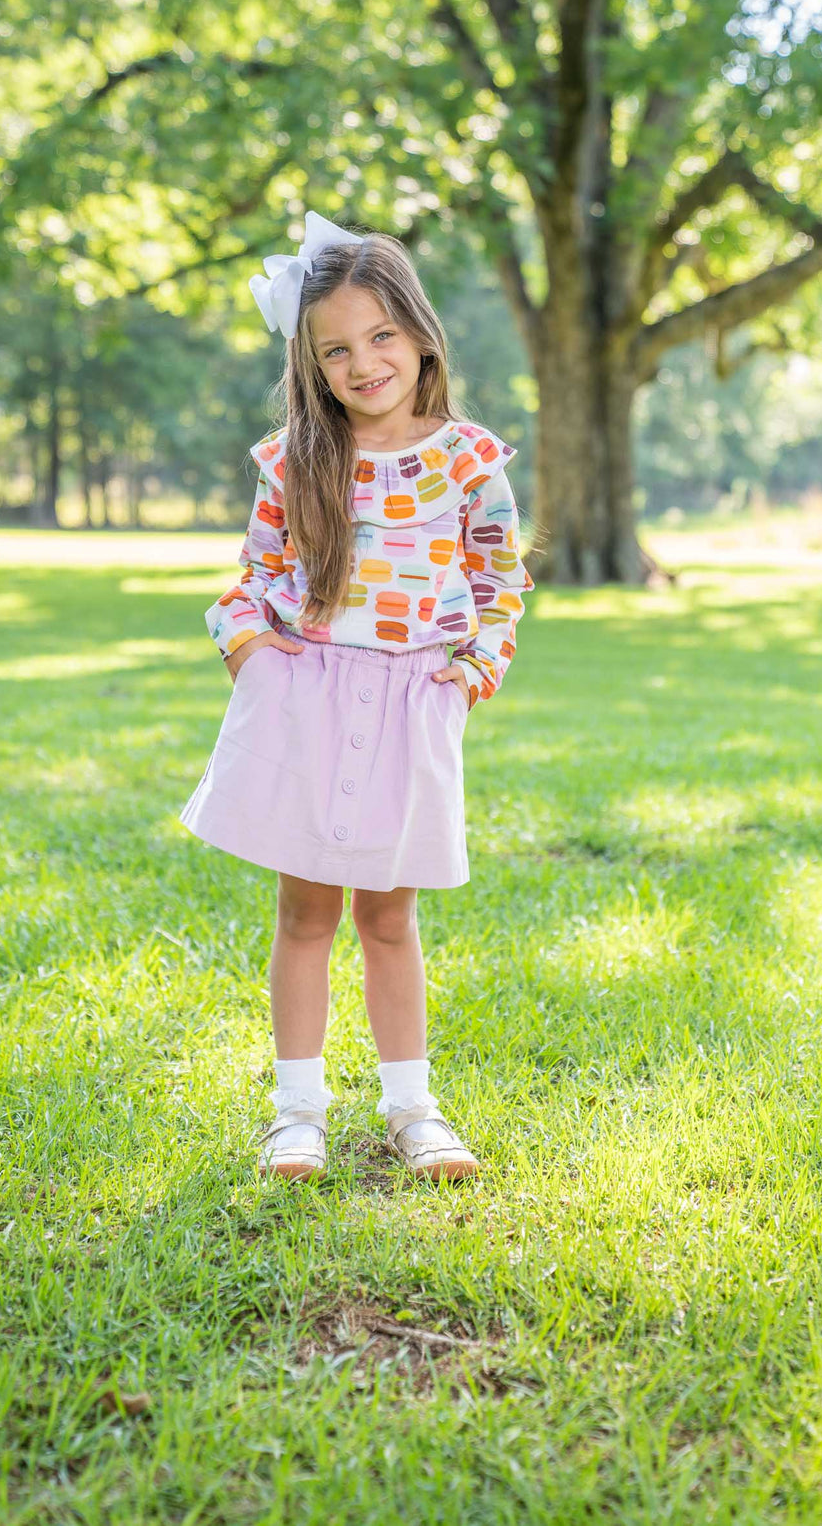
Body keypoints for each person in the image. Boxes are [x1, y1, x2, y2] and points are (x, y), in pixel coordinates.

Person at [179, 209, 535, 1184]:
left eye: (381, 336)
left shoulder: (469, 460)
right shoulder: (296, 458)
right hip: (307, 698)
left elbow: (501, 584)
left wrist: (470, 679)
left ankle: (413, 1108)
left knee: (389, 916)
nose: (363, 362)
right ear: (313, 363)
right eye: (336, 349)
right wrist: (255, 657)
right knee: (305, 913)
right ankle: (298, 1115)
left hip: (414, 701)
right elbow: (247, 580)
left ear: (421, 335)